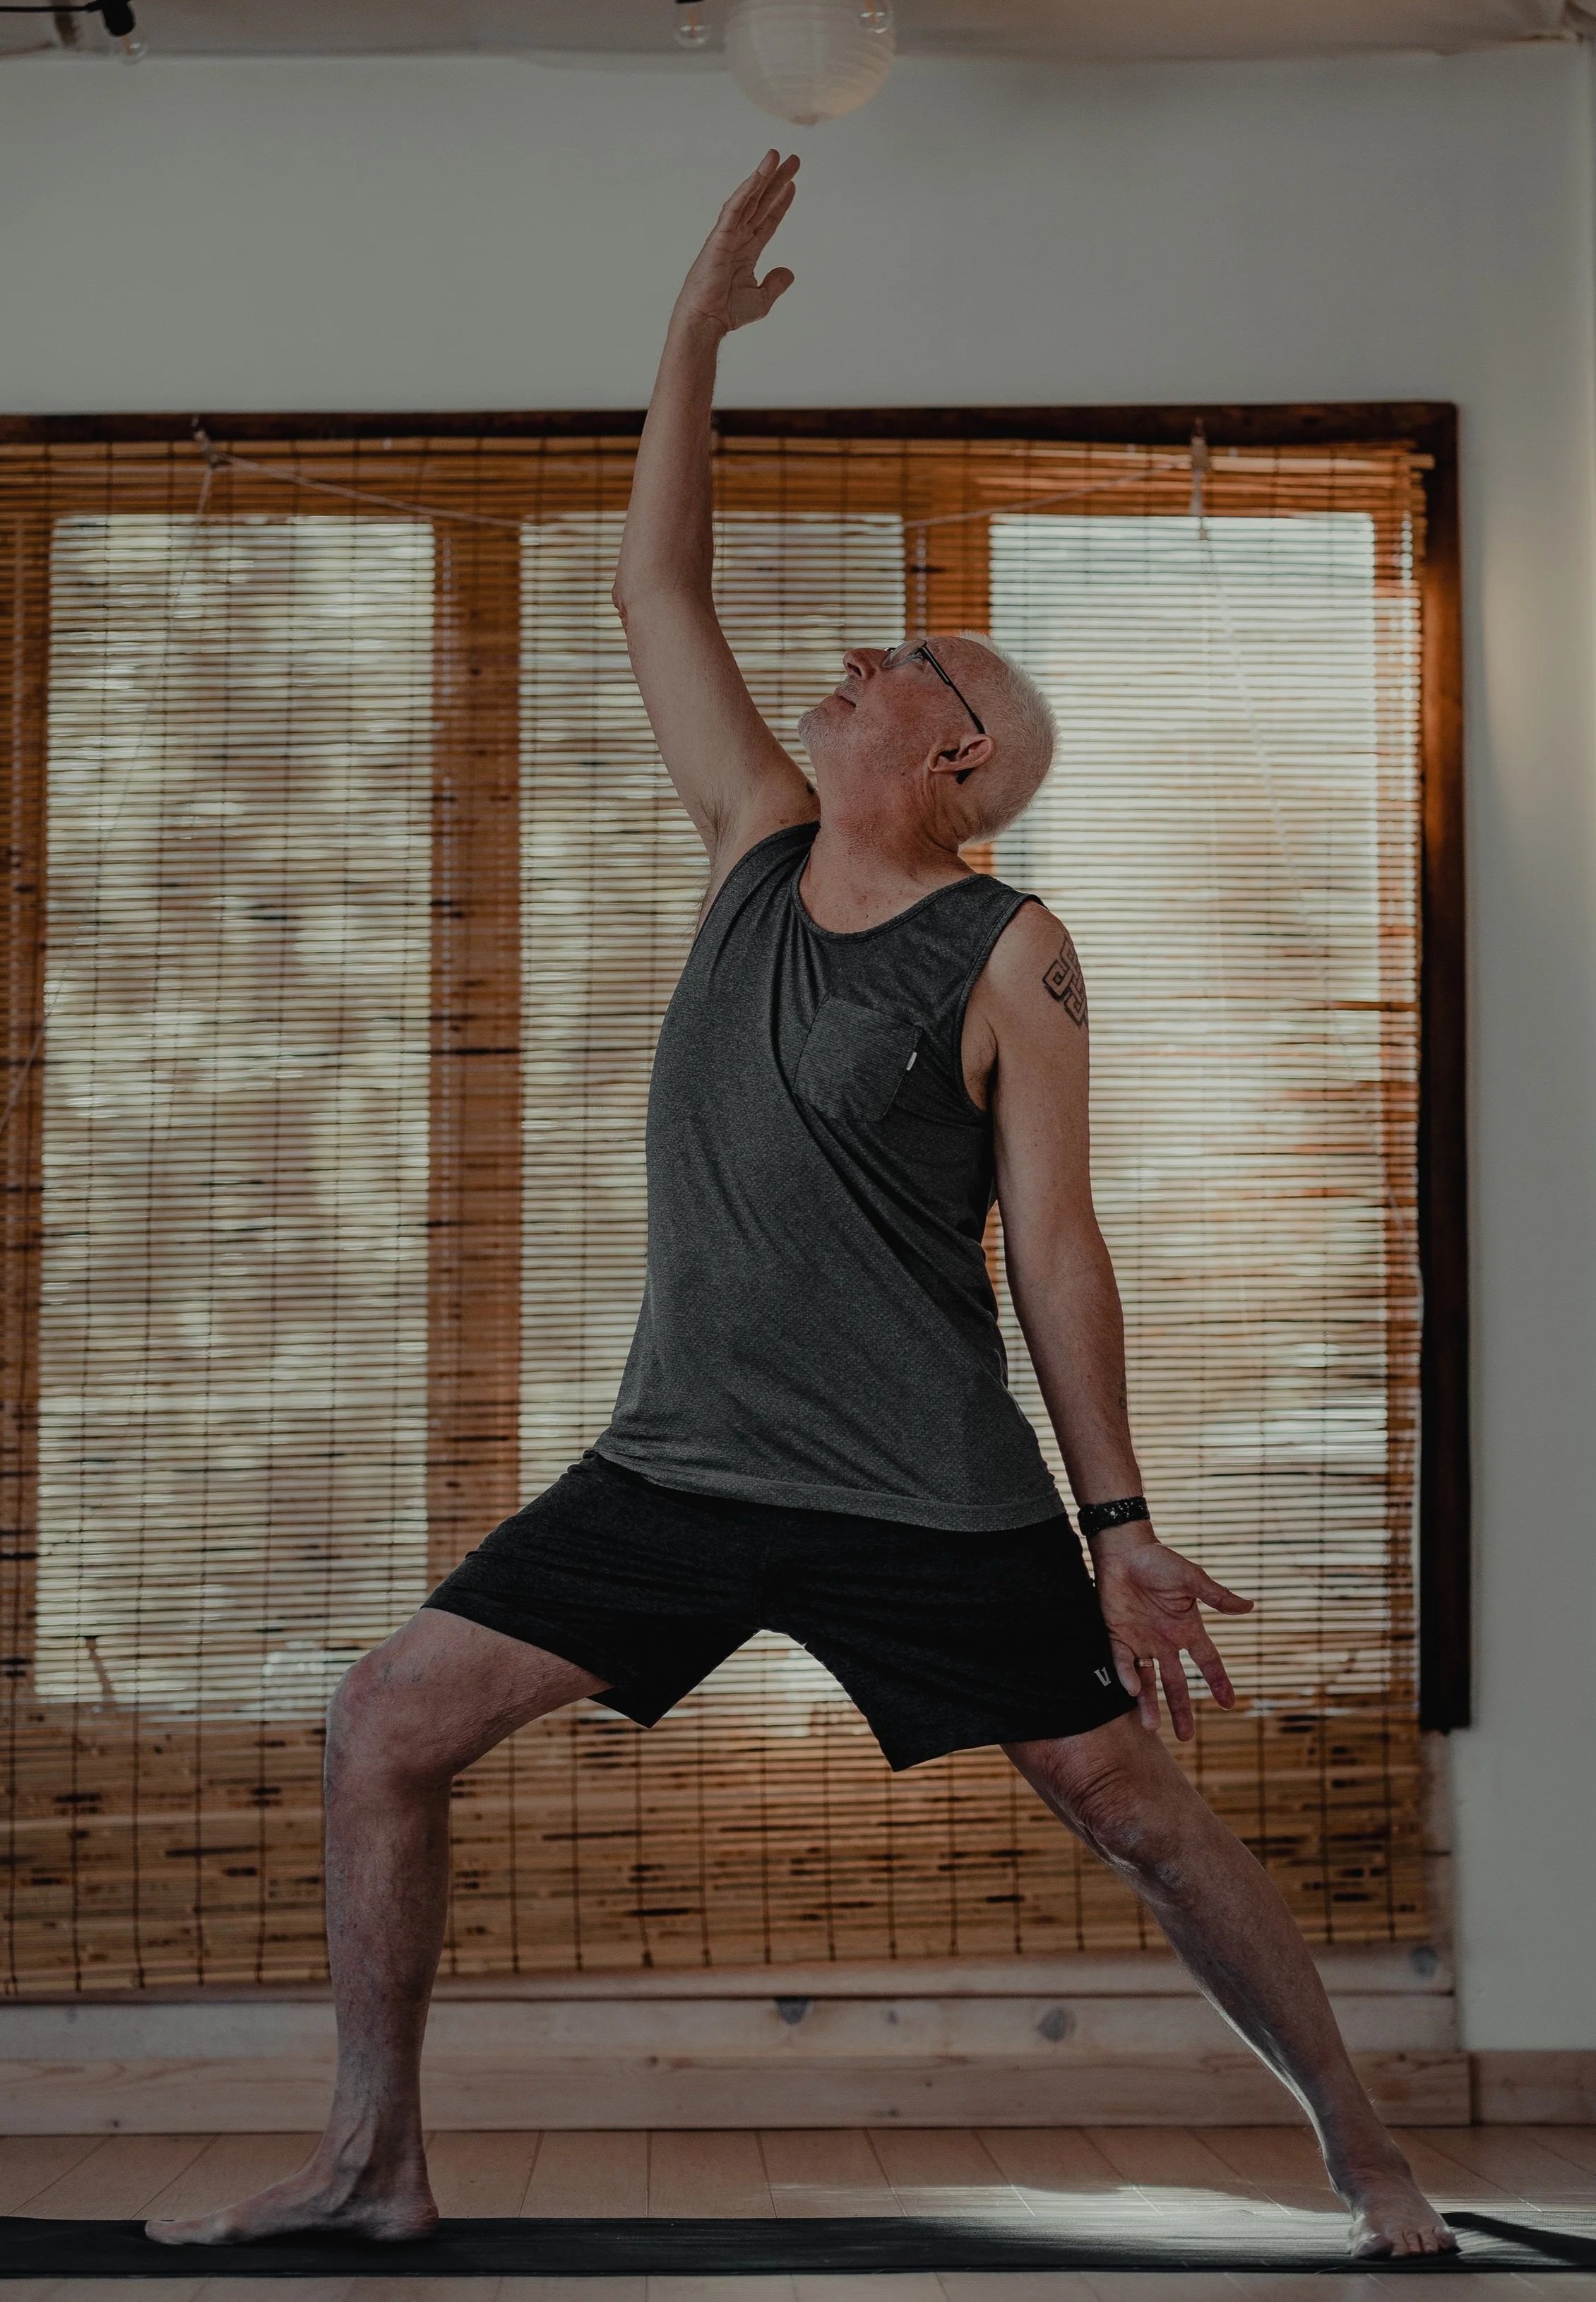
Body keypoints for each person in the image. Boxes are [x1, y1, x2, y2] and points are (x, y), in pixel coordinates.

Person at [149, 153, 1454, 2262]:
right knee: (387, 1721)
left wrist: (1114, 1533)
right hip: (681, 1460)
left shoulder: (1012, 951)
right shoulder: (756, 843)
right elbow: (654, 590)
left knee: (1130, 1808)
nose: (853, 658)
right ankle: (373, 2160)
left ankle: (1361, 2149)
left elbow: (1052, 1249)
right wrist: (688, 328)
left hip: (918, 1489)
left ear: (959, 760)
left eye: (905, 659)